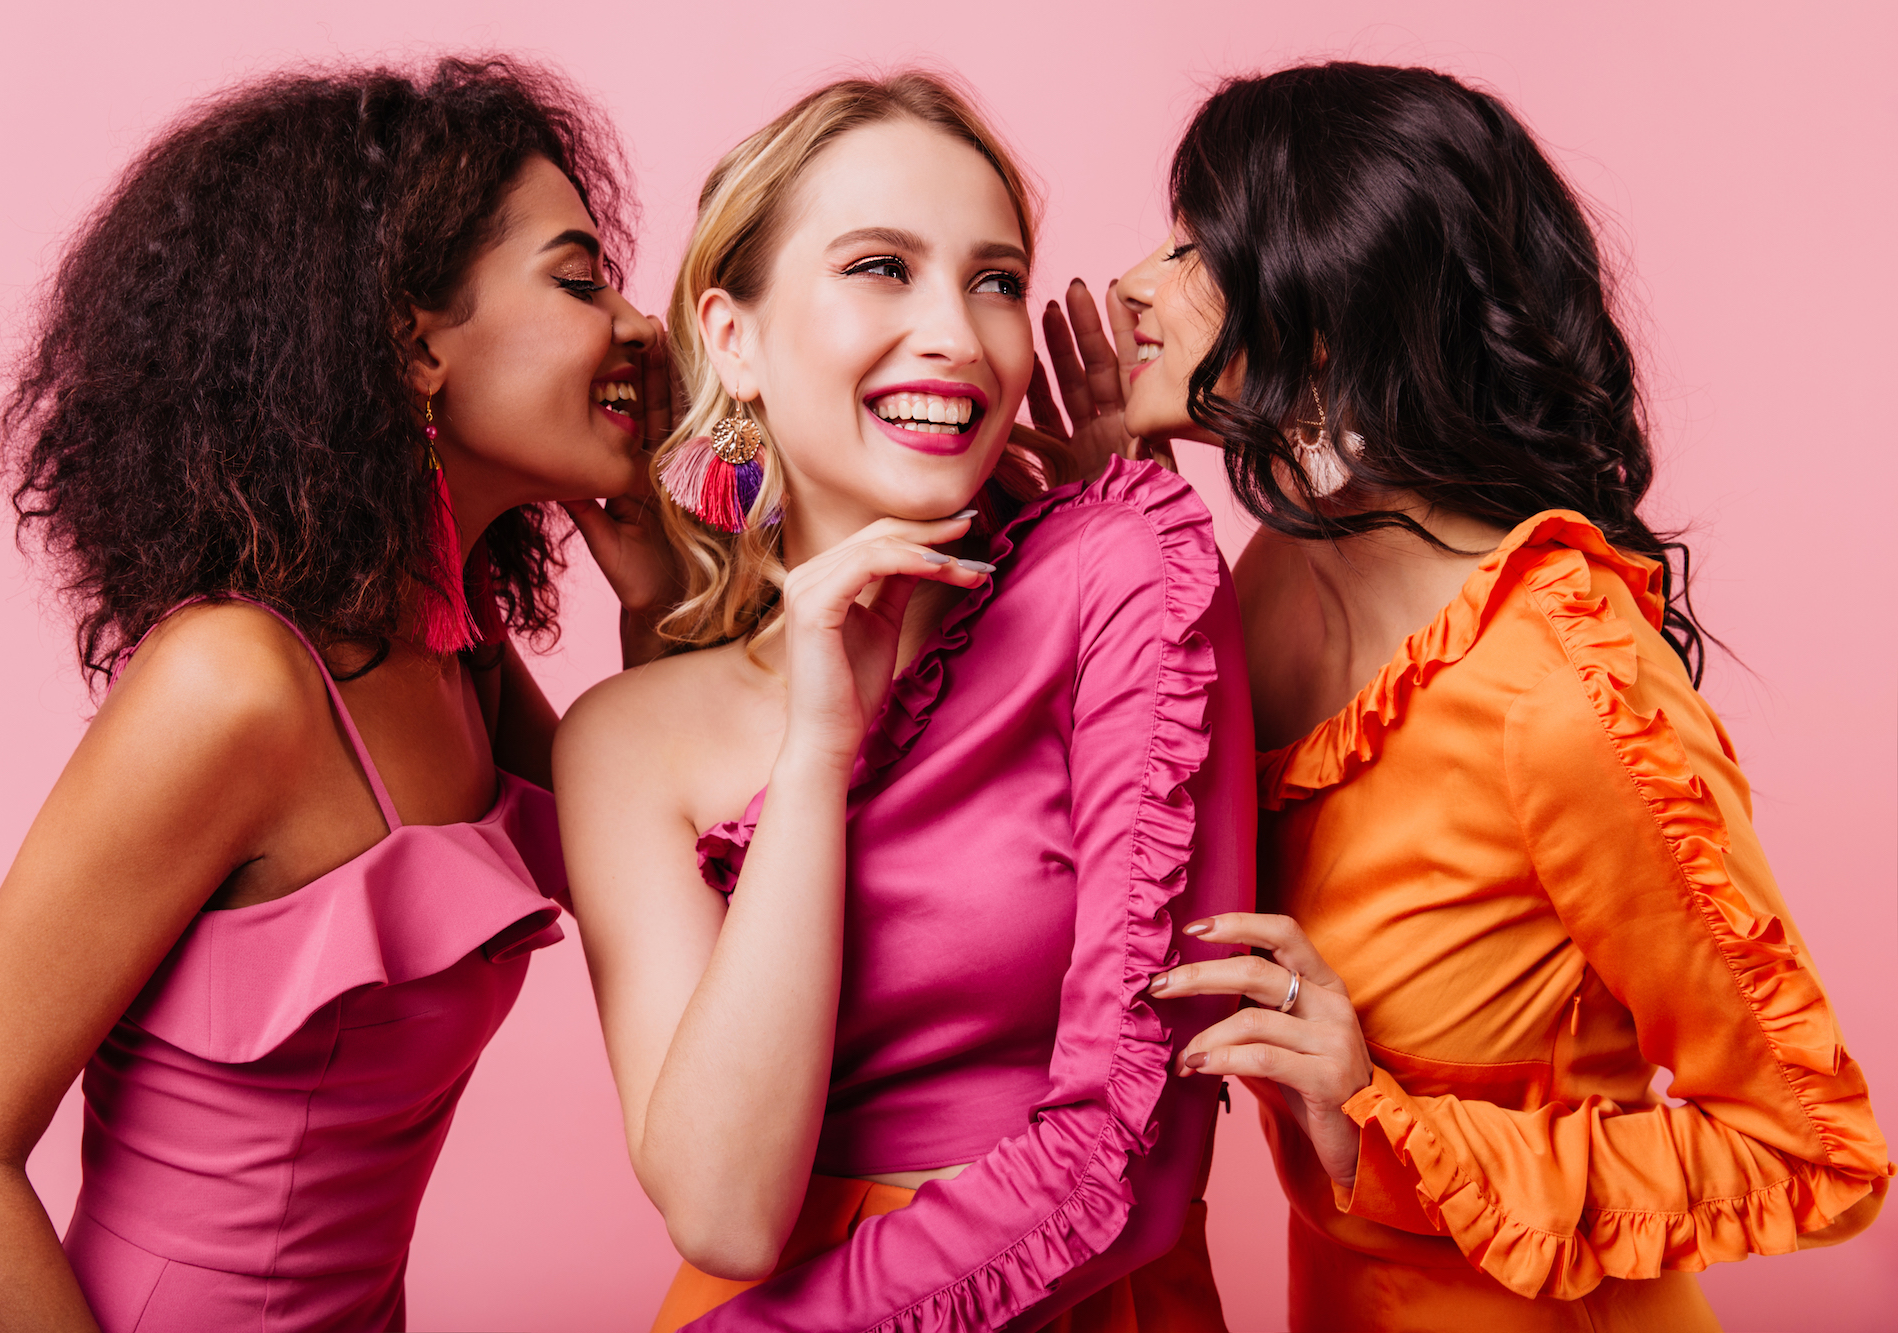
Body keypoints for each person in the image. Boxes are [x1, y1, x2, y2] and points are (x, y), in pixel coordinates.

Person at [1042, 60, 1891, 1331]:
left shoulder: (1562, 690)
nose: (1129, 286)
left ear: (1329, 310)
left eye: (1193, 250)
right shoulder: (1260, 580)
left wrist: (1374, 1126)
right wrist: (1112, 530)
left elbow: (1811, 1150)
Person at [0, 56, 674, 1332]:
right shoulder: (237, 682)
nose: (636, 329)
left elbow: (662, 891)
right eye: (580, 278)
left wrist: (653, 597)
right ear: (415, 342)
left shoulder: (457, 651)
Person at [554, 72, 1253, 1330]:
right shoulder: (624, 740)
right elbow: (723, 1210)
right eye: (881, 266)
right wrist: (816, 754)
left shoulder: (1119, 571)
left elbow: (1143, 1148)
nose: (955, 333)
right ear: (732, 336)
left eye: (992, 280)